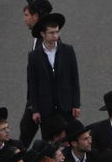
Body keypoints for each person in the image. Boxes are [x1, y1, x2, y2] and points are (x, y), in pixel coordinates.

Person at [26, 12, 80, 142]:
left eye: (57, 32)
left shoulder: (68, 50)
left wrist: (76, 104)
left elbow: (74, 79)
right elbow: (32, 84)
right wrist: (35, 110)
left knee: (69, 139)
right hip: (46, 109)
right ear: (42, 34)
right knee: (49, 142)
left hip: (66, 106)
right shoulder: (34, 56)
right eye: (51, 33)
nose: (55, 36)